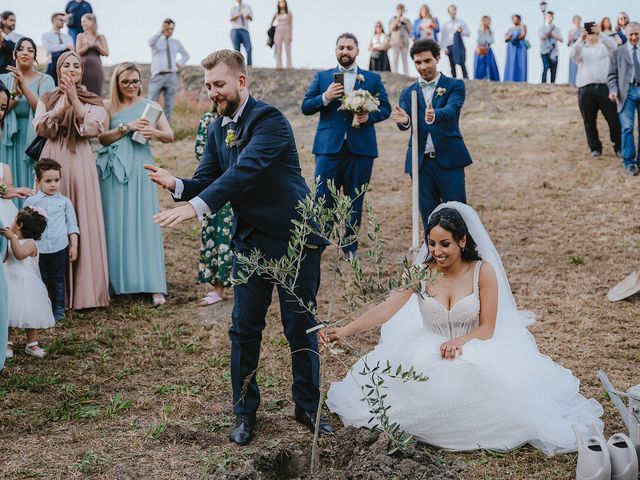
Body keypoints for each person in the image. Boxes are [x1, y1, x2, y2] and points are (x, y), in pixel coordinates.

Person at [146, 49, 332, 445]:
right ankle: (245, 412)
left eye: (219, 84)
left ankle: (308, 406)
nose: (213, 92)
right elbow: (208, 178)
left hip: (293, 238)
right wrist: (178, 185)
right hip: (250, 242)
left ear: (241, 82)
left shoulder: (270, 120)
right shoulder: (217, 129)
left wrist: (197, 209)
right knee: (244, 329)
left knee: (300, 326)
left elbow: (245, 172)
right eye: (208, 85)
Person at [322, 202, 603, 455]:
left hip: (474, 343)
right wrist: (344, 330)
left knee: (482, 381)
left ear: (462, 240)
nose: (436, 251)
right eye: (431, 244)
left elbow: (488, 328)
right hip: (424, 345)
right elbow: (385, 309)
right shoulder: (419, 273)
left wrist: (462, 340)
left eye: (445, 244)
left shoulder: (483, 271)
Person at [301, 33, 391, 255]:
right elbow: (305, 106)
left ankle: (350, 248)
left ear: (357, 51)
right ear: (335, 50)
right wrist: (325, 97)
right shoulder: (323, 77)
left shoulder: (372, 78)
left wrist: (368, 117)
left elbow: (386, 108)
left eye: (349, 47)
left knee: (355, 200)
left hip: (360, 149)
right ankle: (318, 247)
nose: (345, 51)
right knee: (323, 200)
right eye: (341, 47)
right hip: (328, 149)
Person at [33, 51, 109, 309]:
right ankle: (49, 291)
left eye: (77, 65)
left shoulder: (93, 99)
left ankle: (84, 293)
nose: (72, 69)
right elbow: (41, 128)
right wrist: (60, 106)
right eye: (67, 64)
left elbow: (92, 129)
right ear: (58, 69)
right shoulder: (46, 97)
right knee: (48, 215)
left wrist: (75, 100)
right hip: (52, 156)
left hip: (79, 161)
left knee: (80, 215)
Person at [97, 62, 171, 306]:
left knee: (143, 222)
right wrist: (126, 127)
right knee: (116, 223)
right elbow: (102, 138)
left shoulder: (151, 106)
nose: (131, 86)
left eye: (135, 81)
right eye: (126, 81)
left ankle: (152, 285)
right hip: (114, 170)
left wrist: (153, 132)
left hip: (140, 168)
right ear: (117, 83)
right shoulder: (108, 106)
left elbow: (169, 136)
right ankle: (117, 283)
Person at [390, 40, 472, 229]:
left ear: (437, 58)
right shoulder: (408, 91)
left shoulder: (454, 85)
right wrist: (405, 121)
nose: (423, 66)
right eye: (418, 62)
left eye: (427, 61)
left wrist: (435, 114)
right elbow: (406, 121)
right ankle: (434, 256)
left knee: (457, 214)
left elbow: (452, 110)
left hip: (450, 159)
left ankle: (461, 255)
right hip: (420, 163)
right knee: (429, 216)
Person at [0, 37, 55, 207]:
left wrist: (23, 85)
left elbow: (43, 112)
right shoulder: (3, 78)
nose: (25, 52)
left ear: (35, 57)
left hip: (34, 142)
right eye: (21, 49)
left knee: (30, 185)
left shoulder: (46, 80)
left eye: (30, 50)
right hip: (6, 140)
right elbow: (1, 111)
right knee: (7, 183)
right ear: (14, 54)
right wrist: (15, 93)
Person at [24, 159, 79, 321]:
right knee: (41, 280)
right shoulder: (31, 202)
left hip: (59, 247)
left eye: (56, 180)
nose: (53, 184)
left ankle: (59, 308)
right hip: (38, 249)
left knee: (57, 279)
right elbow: (25, 227)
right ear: (38, 181)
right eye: (48, 181)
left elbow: (72, 225)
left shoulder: (64, 202)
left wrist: (73, 245)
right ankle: (43, 308)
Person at [1, 206, 55, 359]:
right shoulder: (12, 239)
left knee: (31, 314)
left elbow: (20, 255)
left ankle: (32, 344)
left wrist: (11, 238)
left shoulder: (30, 243)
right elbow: (6, 258)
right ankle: (7, 343)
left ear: (20, 225)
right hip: (9, 281)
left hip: (27, 285)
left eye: (13, 220)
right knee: (8, 314)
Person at [193, 107, 233, 307]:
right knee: (217, 237)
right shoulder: (208, 119)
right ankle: (218, 288)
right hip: (215, 185)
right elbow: (200, 150)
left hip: (242, 184)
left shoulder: (247, 119)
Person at [571, 23, 620, 159]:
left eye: (594, 32)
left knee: (613, 119)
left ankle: (618, 146)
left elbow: (615, 47)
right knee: (589, 121)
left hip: (605, 88)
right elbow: (572, 54)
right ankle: (595, 147)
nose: (591, 35)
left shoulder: (605, 47)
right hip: (585, 90)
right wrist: (581, 39)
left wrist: (601, 34)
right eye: (589, 32)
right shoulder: (581, 48)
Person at [608, 22, 640, 176]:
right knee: (627, 128)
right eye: (631, 34)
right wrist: (613, 90)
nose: (634, 37)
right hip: (626, 93)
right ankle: (629, 163)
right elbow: (612, 75)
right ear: (626, 35)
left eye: (637, 34)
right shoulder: (618, 52)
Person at [148, 18, 189, 123]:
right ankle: (148, 128)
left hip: (171, 76)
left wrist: (179, 64)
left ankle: (165, 130)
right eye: (167, 28)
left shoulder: (176, 42)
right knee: (152, 103)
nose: (169, 30)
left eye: (172, 29)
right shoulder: (156, 41)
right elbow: (150, 42)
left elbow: (186, 55)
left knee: (169, 104)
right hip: (157, 76)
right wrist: (161, 31)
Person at [75, 13, 108, 96]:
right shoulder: (80, 36)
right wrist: (88, 46)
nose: (82, 23)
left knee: (96, 92)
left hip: (96, 68)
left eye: (84, 21)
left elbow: (106, 53)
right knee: (83, 92)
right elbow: (77, 52)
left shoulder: (100, 37)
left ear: (92, 22)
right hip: (83, 68)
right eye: (81, 22)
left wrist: (97, 46)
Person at [42, 12, 75, 85]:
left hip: (65, 66)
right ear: (54, 20)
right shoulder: (46, 35)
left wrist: (57, 47)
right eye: (61, 19)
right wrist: (65, 46)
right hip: (52, 66)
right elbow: (49, 48)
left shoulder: (68, 37)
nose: (63, 22)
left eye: (64, 20)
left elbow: (72, 50)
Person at [539, 11, 563, 84]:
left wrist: (554, 35)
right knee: (546, 66)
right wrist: (549, 34)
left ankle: (553, 83)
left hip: (554, 51)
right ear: (546, 17)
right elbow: (542, 37)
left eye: (552, 16)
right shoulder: (542, 27)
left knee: (553, 69)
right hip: (544, 50)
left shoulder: (556, 29)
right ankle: (543, 83)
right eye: (549, 16)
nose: (550, 18)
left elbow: (561, 39)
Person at [388, 3, 412, 75]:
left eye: (402, 8)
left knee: (404, 59)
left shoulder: (406, 19)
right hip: (396, 41)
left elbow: (411, 30)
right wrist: (398, 19)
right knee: (395, 58)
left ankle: (406, 74)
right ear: (397, 9)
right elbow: (391, 28)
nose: (401, 10)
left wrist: (405, 22)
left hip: (405, 41)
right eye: (400, 8)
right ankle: (394, 73)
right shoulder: (393, 19)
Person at [474, 15, 500, 81]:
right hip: (480, 49)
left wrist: (486, 41)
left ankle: (489, 76)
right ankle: (479, 77)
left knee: (489, 63)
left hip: (488, 49)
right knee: (480, 63)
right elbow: (478, 40)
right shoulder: (479, 30)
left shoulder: (490, 31)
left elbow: (492, 40)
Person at [504, 14, 528, 82]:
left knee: (520, 63)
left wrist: (514, 38)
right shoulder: (510, 29)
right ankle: (510, 78)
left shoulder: (522, 26)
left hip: (520, 46)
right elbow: (506, 38)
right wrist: (509, 38)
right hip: (511, 48)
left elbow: (523, 35)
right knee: (511, 62)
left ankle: (521, 79)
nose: (514, 20)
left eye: (515, 18)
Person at [230, 0, 253, 66]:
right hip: (235, 29)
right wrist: (240, 14)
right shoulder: (232, 7)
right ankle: (238, 66)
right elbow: (231, 19)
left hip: (244, 29)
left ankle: (249, 65)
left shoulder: (247, 7)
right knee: (236, 50)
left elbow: (251, 18)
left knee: (249, 48)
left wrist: (246, 15)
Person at [272, 0, 292, 69]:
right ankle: (279, 65)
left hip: (286, 31)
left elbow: (290, 24)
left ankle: (289, 65)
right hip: (278, 32)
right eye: (280, 2)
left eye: (283, 2)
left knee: (288, 49)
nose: (282, 3)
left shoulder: (289, 13)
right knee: (278, 50)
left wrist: (290, 34)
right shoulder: (276, 14)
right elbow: (272, 23)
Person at [567, 16, 582, 86]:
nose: (578, 22)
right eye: (576, 20)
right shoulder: (571, 31)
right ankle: (572, 83)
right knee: (573, 68)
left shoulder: (583, 30)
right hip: (573, 50)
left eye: (579, 20)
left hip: (581, 50)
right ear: (574, 21)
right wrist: (570, 39)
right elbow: (568, 44)